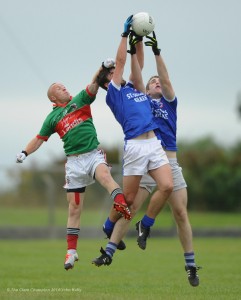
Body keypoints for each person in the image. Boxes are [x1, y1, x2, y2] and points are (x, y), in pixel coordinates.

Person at [100, 30, 201, 287]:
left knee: (180, 212)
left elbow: (163, 78)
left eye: (158, 81)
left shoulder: (168, 101)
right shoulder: (139, 98)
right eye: (151, 81)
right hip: (143, 154)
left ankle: (190, 265)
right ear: (143, 88)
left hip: (166, 159)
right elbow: (135, 71)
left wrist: (155, 50)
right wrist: (134, 49)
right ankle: (111, 246)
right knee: (131, 205)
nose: (156, 82)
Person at [15, 66, 131, 271]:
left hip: (92, 154)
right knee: (75, 207)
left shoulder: (80, 100)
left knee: (104, 174)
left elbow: (94, 85)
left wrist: (103, 68)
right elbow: (39, 139)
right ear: (53, 97)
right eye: (59, 88)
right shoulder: (52, 118)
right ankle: (71, 251)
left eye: (63, 85)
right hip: (75, 163)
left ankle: (121, 202)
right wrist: (24, 152)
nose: (64, 88)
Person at [91, 16, 173, 267]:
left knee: (167, 186)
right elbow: (120, 61)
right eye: (114, 72)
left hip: (153, 145)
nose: (119, 71)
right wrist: (124, 34)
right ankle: (108, 224)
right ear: (108, 81)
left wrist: (137, 42)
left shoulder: (135, 89)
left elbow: (136, 62)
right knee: (126, 200)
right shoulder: (114, 94)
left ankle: (145, 224)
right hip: (136, 147)